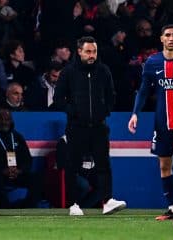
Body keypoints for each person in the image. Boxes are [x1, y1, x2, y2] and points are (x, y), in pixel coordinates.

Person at [128, 24, 173, 221]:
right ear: (161, 39)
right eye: (167, 35)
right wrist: (135, 113)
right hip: (162, 122)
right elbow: (143, 90)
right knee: (164, 165)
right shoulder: (152, 62)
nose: (170, 38)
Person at [53, 36, 126, 216]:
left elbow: (111, 95)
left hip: (99, 126)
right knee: (73, 166)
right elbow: (58, 99)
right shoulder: (68, 72)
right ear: (79, 51)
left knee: (104, 165)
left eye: (94, 51)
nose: (91, 55)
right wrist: (74, 112)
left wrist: (105, 111)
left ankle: (108, 201)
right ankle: (73, 204)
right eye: (88, 51)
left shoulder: (103, 71)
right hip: (77, 127)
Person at [0, 108, 42, 208]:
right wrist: (2, 171)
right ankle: (6, 209)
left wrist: (20, 171)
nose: (4, 122)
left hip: (16, 174)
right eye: (2, 119)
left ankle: (27, 207)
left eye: (7, 120)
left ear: (11, 121)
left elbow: (27, 159)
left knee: (37, 179)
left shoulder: (17, 137)